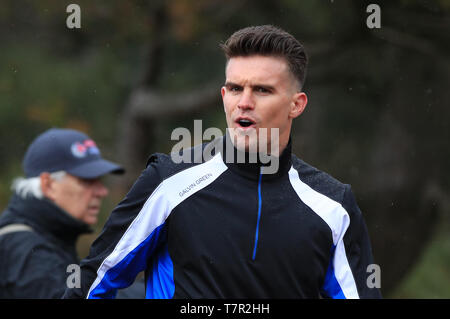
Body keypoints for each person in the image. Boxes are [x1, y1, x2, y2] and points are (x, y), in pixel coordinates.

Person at [63, 25, 382, 299]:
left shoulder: (334, 205)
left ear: (296, 105)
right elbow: (92, 281)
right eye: (235, 88)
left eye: (262, 90)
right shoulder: (169, 180)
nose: (244, 102)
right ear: (223, 94)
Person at [0, 128, 129, 298]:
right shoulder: (30, 252)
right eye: (87, 180)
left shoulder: (46, 237)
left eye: (100, 181)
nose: (101, 191)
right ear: (49, 185)